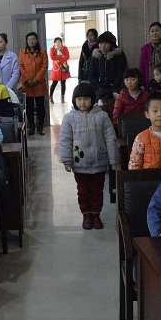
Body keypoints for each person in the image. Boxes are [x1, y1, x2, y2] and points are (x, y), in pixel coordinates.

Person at [59, 83, 119, 230]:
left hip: (99, 162)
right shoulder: (69, 118)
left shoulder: (102, 116)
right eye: (79, 99)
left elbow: (110, 138)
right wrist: (66, 160)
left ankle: (96, 215)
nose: (82, 102)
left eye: (86, 99)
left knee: (97, 191)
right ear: (74, 100)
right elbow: (65, 140)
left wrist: (113, 160)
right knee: (83, 191)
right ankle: (86, 215)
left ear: (92, 99)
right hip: (80, 162)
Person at [19, 32, 49, 135]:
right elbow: (21, 67)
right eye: (29, 39)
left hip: (39, 83)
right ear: (26, 41)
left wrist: (37, 79)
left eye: (33, 39)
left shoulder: (43, 51)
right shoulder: (22, 52)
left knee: (41, 106)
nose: (31, 41)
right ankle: (31, 127)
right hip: (27, 84)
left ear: (37, 40)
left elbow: (44, 66)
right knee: (29, 106)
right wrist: (27, 79)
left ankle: (40, 126)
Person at [49, 37, 71, 104]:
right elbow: (52, 57)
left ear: (61, 43)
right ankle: (51, 97)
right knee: (54, 83)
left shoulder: (65, 48)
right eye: (56, 42)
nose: (57, 43)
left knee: (63, 83)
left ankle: (62, 98)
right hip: (56, 69)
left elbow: (67, 56)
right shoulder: (52, 49)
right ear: (54, 43)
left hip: (63, 67)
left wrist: (60, 60)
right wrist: (62, 56)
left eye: (59, 42)